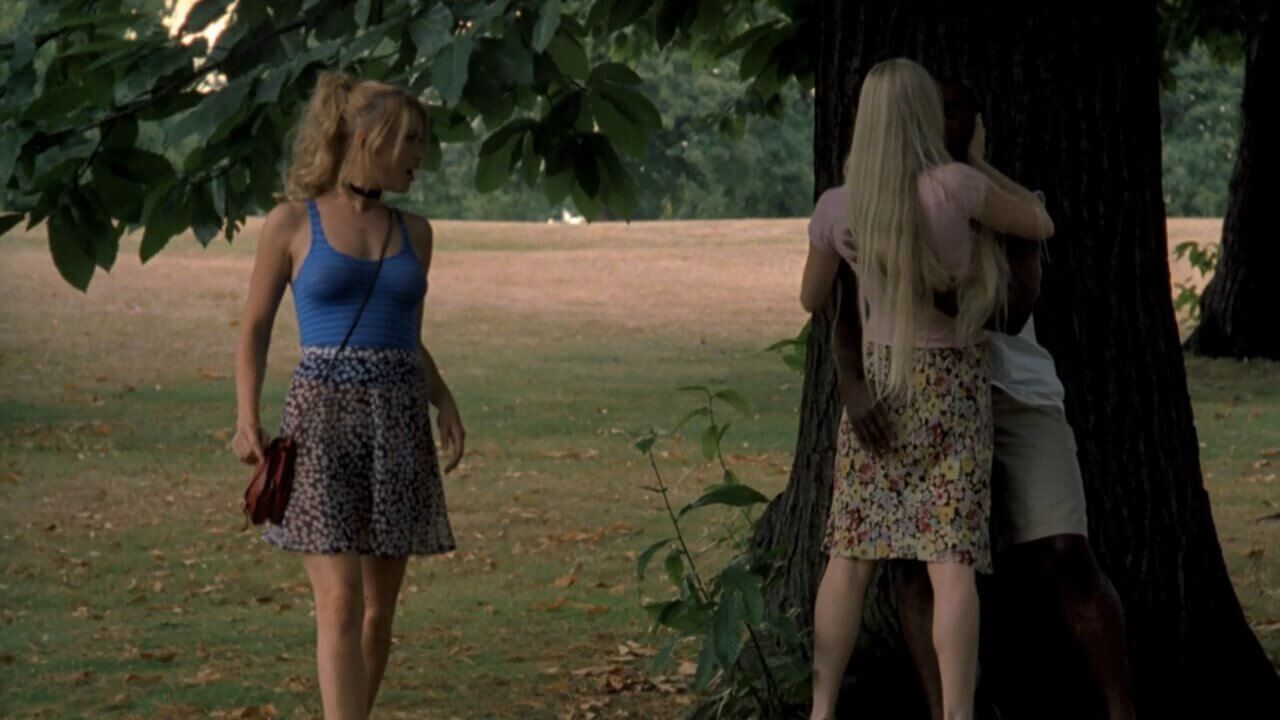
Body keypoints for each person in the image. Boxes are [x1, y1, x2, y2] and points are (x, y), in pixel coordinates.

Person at [842, 81, 1136, 720]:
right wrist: (853, 386)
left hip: (1015, 394)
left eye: (955, 112)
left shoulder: (1001, 202)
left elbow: (1014, 310)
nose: (941, 120)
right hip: (920, 398)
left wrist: (921, 276)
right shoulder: (878, 199)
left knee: (1065, 551)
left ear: (977, 126)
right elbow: (840, 304)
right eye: (932, 108)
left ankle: (1120, 709)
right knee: (918, 567)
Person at [799, 58, 1055, 720]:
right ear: (923, 118)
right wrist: (980, 159)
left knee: (850, 555)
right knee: (951, 562)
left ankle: (821, 708)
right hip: (952, 385)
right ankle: (958, 712)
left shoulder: (839, 206)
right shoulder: (958, 188)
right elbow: (1039, 222)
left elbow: (811, 297)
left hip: (882, 382)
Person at [231, 71, 465, 720]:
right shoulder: (290, 223)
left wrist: (443, 397)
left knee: (376, 613)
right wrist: (246, 417)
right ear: (368, 137)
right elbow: (254, 328)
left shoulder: (416, 233)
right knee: (339, 600)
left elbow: (406, 336)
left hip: (398, 422)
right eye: (411, 140)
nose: (421, 155)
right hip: (321, 425)